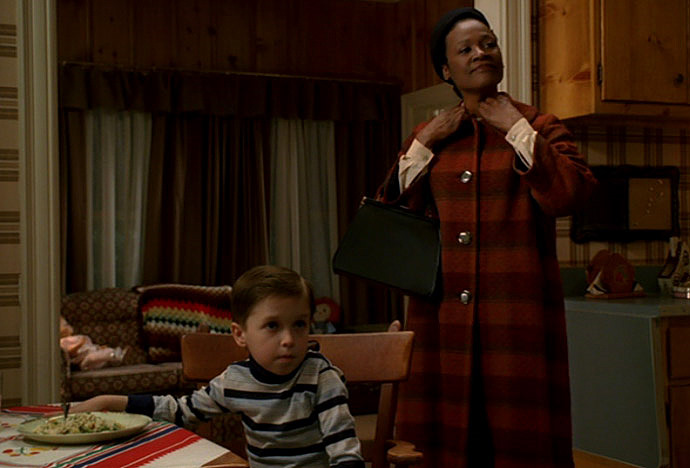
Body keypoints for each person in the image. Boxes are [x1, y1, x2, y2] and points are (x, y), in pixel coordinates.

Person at [376, 7, 597, 468]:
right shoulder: (429, 136)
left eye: (488, 44)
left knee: (522, 448)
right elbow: (389, 215)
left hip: (516, 323)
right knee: (439, 450)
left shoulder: (539, 125)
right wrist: (423, 144)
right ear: (446, 70)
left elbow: (572, 195)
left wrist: (516, 129)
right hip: (440, 324)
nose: (481, 53)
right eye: (466, 49)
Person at [70, 265, 364, 468]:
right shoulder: (235, 380)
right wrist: (110, 401)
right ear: (240, 334)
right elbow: (180, 411)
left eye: (299, 324)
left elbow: (345, 450)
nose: (288, 339)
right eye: (273, 326)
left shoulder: (322, 377)